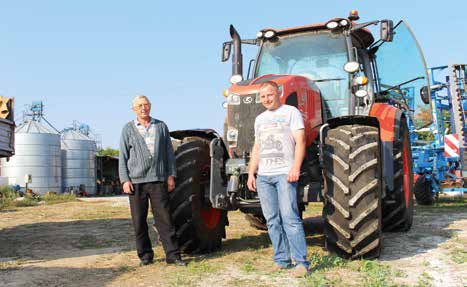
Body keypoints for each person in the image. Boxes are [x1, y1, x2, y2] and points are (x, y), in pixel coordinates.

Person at [247, 81, 310, 277]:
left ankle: (301, 263)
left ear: (278, 93)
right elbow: (257, 147)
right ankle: (281, 259)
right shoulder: (259, 119)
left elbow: (301, 141)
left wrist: (295, 168)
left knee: (289, 217)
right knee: (272, 220)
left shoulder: (290, 112)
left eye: (270, 95)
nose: (266, 99)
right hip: (265, 176)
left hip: (285, 173)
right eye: (263, 96)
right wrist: (251, 172)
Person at [119, 95, 186, 267]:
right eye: (139, 106)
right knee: (139, 221)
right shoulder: (128, 129)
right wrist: (125, 180)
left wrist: (171, 175)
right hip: (136, 182)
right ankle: (145, 256)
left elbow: (169, 154)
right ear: (133, 109)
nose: (143, 108)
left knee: (165, 219)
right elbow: (123, 156)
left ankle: (173, 256)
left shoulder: (161, 126)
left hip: (158, 180)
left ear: (150, 106)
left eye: (146, 105)